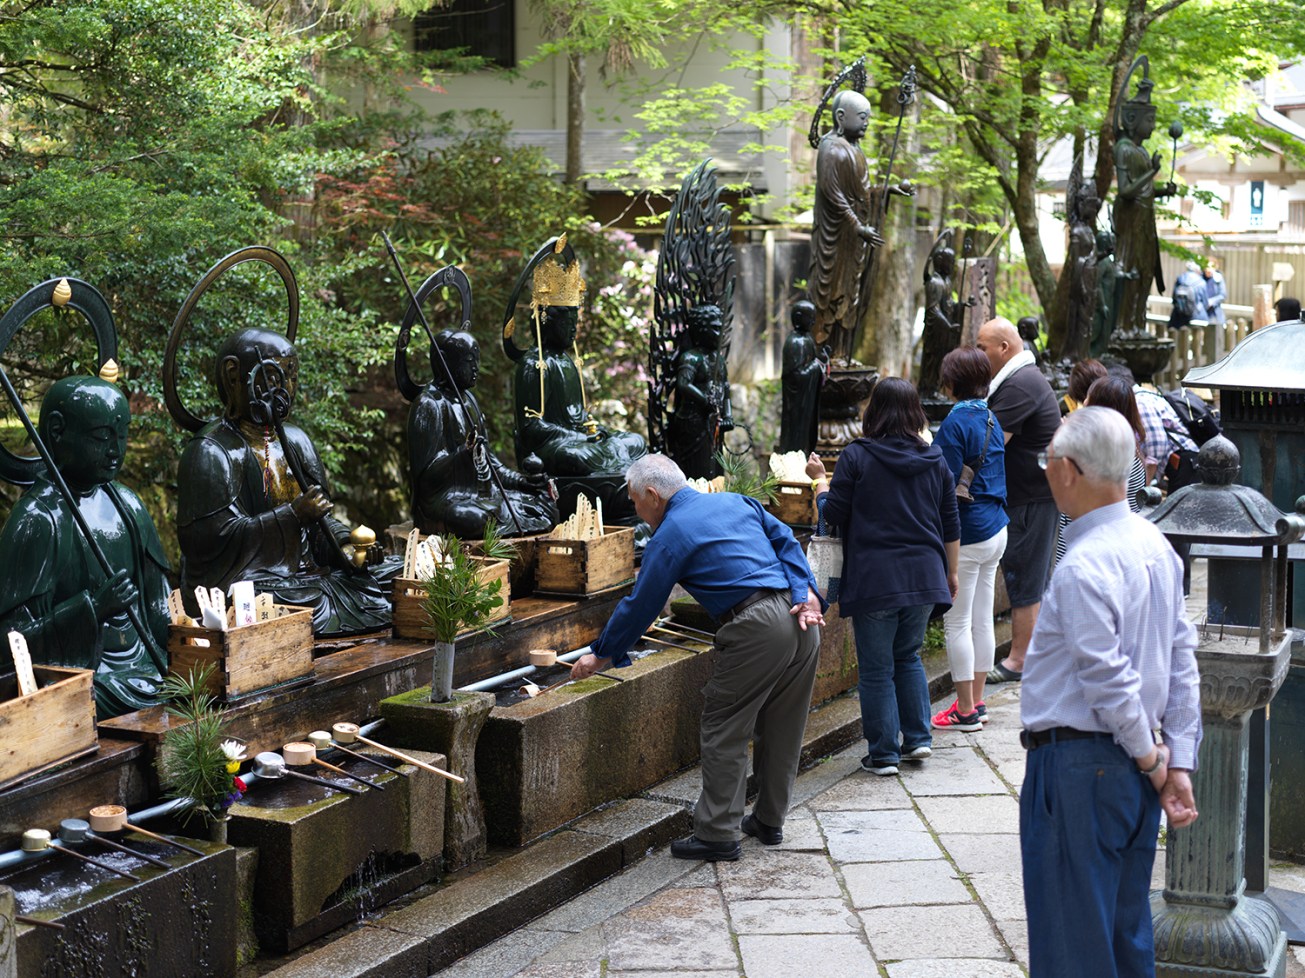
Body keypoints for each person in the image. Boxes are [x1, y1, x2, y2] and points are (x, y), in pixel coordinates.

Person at [570, 454, 824, 861]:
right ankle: (769, 820)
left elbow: (642, 604)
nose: (636, 510)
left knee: (725, 726)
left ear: (653, 495)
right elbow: (788, 541)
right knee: (783, 724)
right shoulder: (736, 502)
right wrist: (805, 591)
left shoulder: (671, 534)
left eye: (635, 501)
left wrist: (601, 654)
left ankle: (719, 833)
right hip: (802, 621)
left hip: (757, 625)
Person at [1020, 406, 1200, 978]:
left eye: (1048, 462)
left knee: (1074, 948)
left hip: (1079, 766)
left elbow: (1106, 675)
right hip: (1129, 770)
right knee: (1124, 939)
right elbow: (1180, 660)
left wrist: (1154, 760)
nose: (1046, 472)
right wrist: (1179, 761)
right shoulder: (1155, 546)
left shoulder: (1084, 564)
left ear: (1068, 470)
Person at [176, 328, 400, 637]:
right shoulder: (211, 451)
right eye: (273, 377)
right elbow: (209, 542)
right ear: (232, 376)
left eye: (291, 377)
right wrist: (292, 516)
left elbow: (320, 523)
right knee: (264, 604)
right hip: (251, 582)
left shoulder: (295, 439)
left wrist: (346, 546)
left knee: (393, 574)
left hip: (305, 577)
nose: (286, 389)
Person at [806, 378, 959, 774]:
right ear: (916, 413)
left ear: (874, 411)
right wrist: (951, 573)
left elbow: (833, 514)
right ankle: (919, 740)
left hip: (876, 579)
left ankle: (884, 754)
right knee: (907, 657)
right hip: (926, 575)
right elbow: (950, 522)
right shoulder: (936, 460)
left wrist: (820, 482)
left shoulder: (858, 457)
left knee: (876, 669)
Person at [0, 376, 170, 719]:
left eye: (122, 437)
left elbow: (158, 604)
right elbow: (10, 645)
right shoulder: (38, 519)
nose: (115, 451)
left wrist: (183, 641)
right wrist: (92, 609)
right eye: (101, 437)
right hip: (85, 678)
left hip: (145, 668)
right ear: (57, 431)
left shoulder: (128, 505)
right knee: (70, 701)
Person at [975, 318, 1061, 683]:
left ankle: (1020, 659)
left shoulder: (1021, 385)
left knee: (1025, 577)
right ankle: (1030, 655)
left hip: (1031, 498)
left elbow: (989, 443)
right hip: (1033, 494)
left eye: (982, 348)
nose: (978, 355)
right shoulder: (1020, 379)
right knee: (1030, 576)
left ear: (1004, 348)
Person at [408, 330, 558, 538]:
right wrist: (463, 455)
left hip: (481, 493)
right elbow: (426, 478)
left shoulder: (469, 400)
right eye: (469, 361)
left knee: (543, 502)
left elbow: (490, 463)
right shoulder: (429, 404)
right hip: (444, 500)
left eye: (476, 361)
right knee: (472, 519)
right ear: (444, 362)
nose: (475, 368)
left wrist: (521, 481)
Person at [930, 349, 1007, 732]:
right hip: (997, 528)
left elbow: (943, 487)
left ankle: (962, 710)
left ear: (951, 383)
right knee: (982, 620)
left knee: (957, 623)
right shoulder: (990, 416)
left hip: (969, 533)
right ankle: (977, 702)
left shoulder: (954, 424)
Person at [809, 90, 911, 362]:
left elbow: (861, 194)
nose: (867, 123)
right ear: (841, 117)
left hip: (853, 240)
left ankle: (842, 353)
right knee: (830, 294)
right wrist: (857, 225)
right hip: (835, 237)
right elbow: (832, 192)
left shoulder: (855, 149)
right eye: (862, 117)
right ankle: (824, 355)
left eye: (868, 118)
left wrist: (887, 191)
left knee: (850, 297)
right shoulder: (830, 148)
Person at [1054, 375, 1149, 565]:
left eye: (1090, 398)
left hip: (1091, 552)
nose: (1085, 402)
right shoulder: (1128, 444)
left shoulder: (1102, 454)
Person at [1112, 60, 1177, 334]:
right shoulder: (1124, 149)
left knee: (1146, 273)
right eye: (1149, 120)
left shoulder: (1139, 151)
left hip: (1145, 220)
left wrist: (1162, 190)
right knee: (1131, 273)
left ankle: (1139, 323)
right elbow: (1126, 191)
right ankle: (1124, 326)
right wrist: (1152, 173)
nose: (1152, 125)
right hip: (1130, 222)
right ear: (1132, 120)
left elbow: (1145, 191)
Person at [666, 304, 733, 479]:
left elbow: (725, 387)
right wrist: (704, 400)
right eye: (715, 329)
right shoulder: (691, 357)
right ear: (701, 330)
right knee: (698, 468)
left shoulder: (718, 359)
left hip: (713, 421)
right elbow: (683, 384)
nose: (720, 335)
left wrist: (728, 415)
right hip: (693, 421)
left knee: (715, 466)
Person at [779, 300, 829, 455]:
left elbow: (809, 362)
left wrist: (821, 358)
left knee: (806, 435)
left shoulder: (807, 339)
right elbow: (795, 376)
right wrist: (816, 366)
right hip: (797, 403)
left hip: (806, 402)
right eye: (810, 317)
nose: (813, 321)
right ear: (799, 317)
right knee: (796, 436)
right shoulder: (795, 342)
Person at [1168, 261, 1208, 330]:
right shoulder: (1201, 282)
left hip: (1178, 315)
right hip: (1197, 315)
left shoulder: (1180, 278)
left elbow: (1174, 298)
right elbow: (1205, 302)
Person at [1203, 259, 1226, 327]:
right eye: (1207, 267)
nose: (1209, 269)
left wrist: (1211, 301)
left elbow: (1223, 295)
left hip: (1214, 312)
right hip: (1202, 312)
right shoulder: (1200, 278)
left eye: (1211, 267)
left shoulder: (1218, 278)